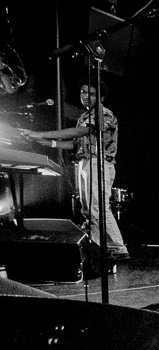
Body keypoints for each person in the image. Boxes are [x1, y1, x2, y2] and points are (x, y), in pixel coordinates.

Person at [21, 81, 129, 261]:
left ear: (101, 98)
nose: (85, 96)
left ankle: (117, 247)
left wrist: (40, 134)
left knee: (97, 208)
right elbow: (76, 144)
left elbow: (79, 132)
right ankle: (98, 249)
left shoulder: (104, 114)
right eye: (83, 92)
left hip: (99, 163)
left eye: (91, 94)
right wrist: (50, 143)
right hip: (85, 163)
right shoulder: (84, 116)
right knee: (88, 211)